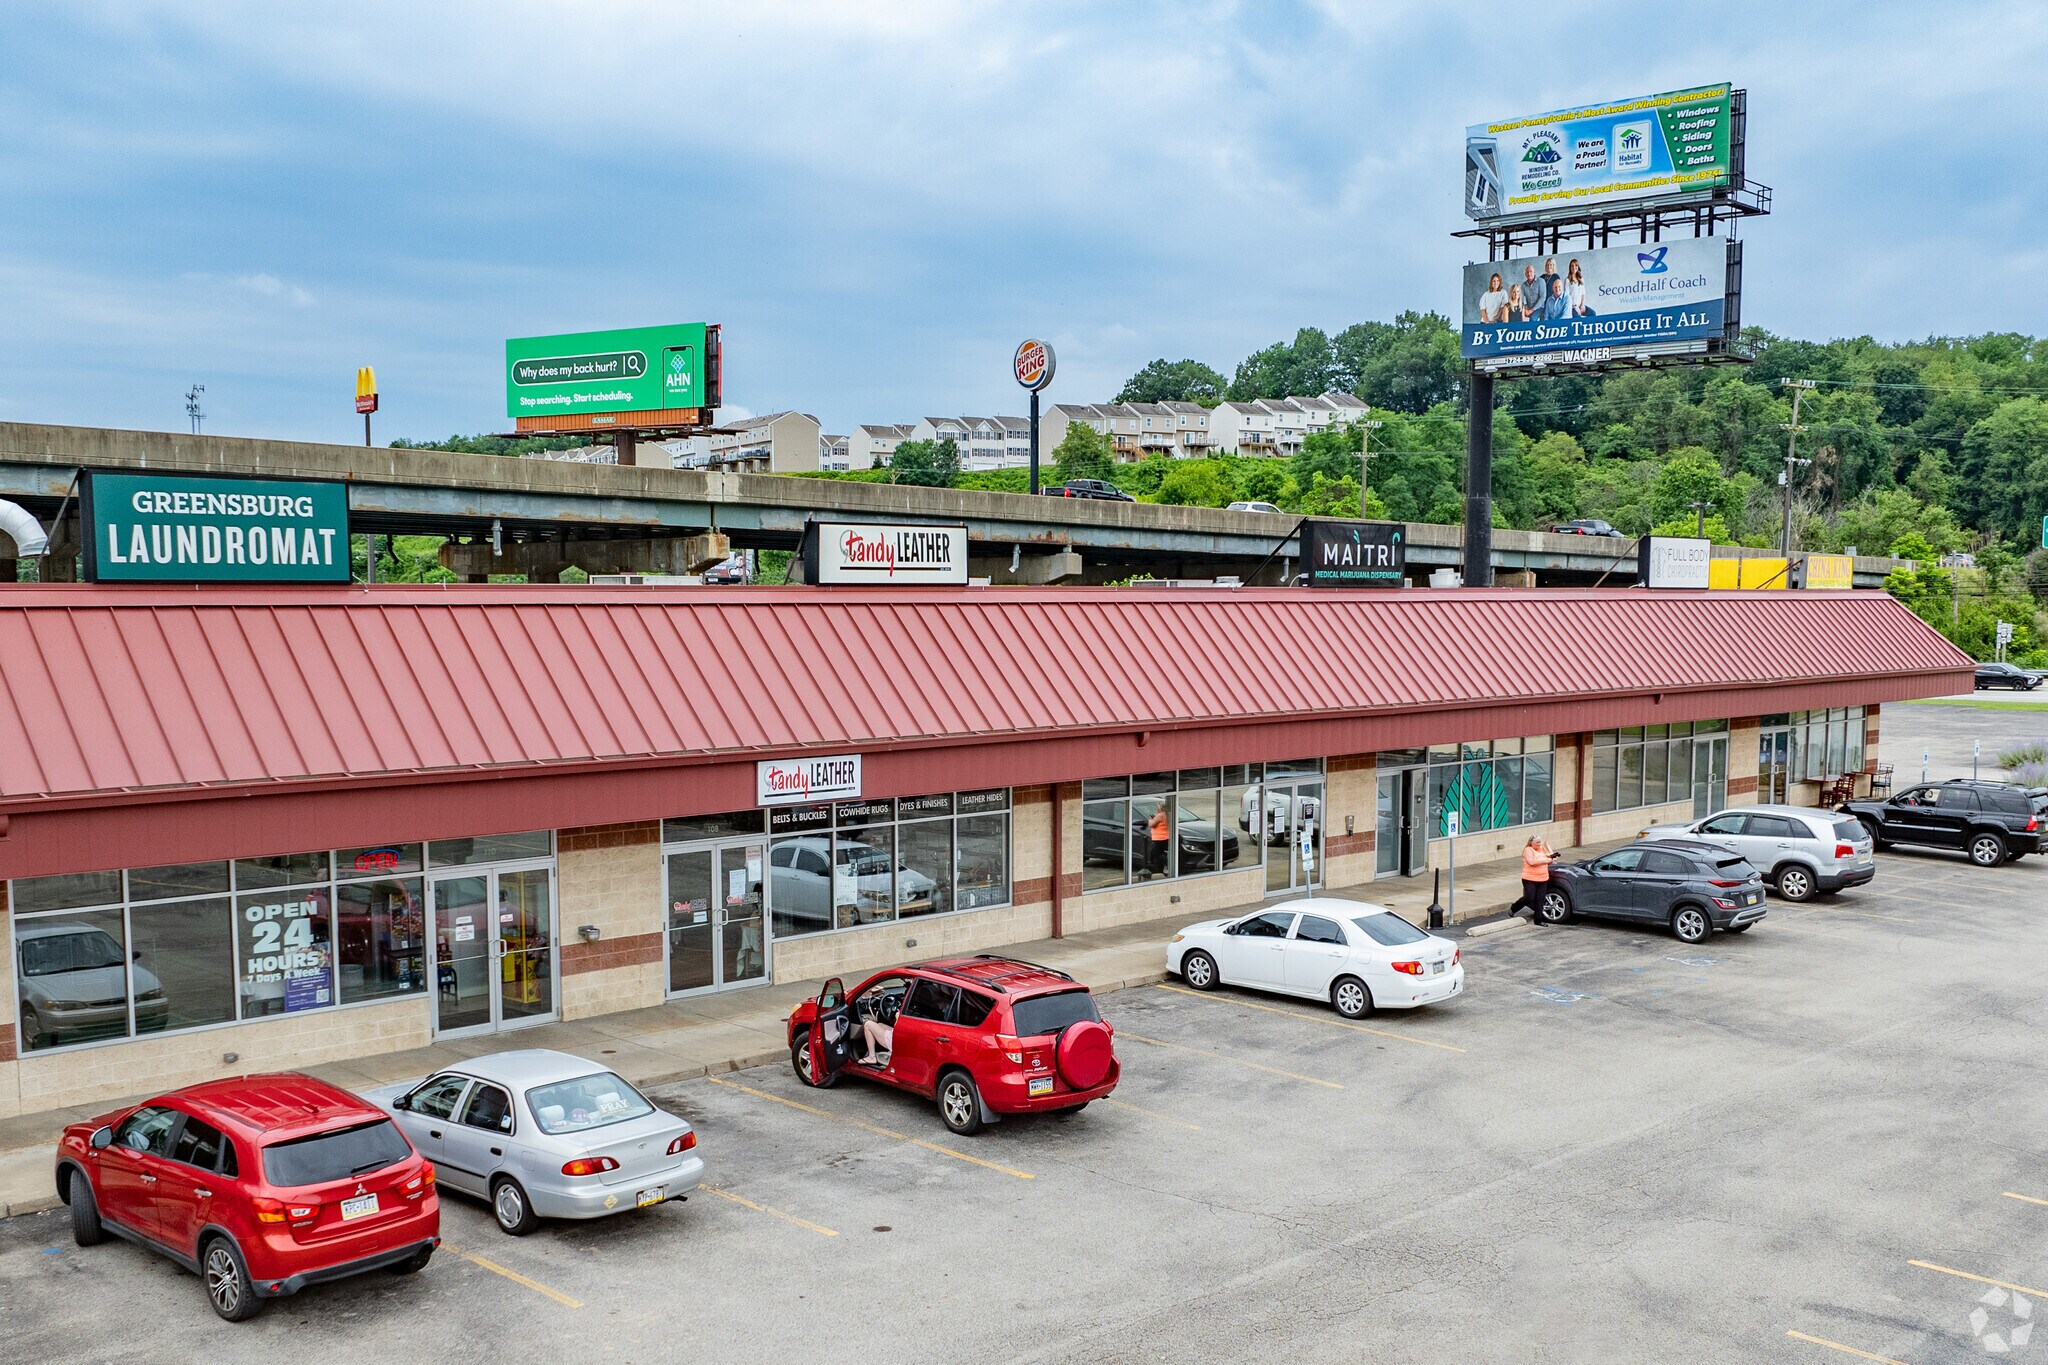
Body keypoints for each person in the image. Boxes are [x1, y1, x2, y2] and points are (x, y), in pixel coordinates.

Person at [1514, 836, 1558, 919]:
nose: (1539, 844)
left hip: (1543, 878)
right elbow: (1532, 862)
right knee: (1529, 897)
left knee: (1540, 900)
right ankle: (1514, 907)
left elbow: (1550, 861)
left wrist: (1553, 858)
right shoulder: (1528, 850)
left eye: (1540, 842)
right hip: (1529, 878)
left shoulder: (1542, 849)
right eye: (1537, 842)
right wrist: (1547, 860)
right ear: (1531, 842)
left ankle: (1538, 919)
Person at [1147, 798, 1172, 879]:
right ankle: (1166, 866)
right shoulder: (1168, 815)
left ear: (1161, 808)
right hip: (1166, 837)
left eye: (1158, 807)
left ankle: (1164, 866)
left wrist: (1150, 820)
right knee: (1161, 853)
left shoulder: (1160, 815)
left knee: (1155, 854)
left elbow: (1152, 824)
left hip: (1159, 838)